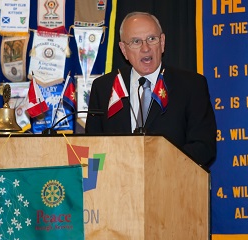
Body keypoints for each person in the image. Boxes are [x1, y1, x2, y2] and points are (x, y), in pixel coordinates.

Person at [85, 11, 217, 167]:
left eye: (151, 39)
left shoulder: (191, 85)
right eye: (136, 41)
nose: (145, 48)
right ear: (123, 50)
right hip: (119, 185)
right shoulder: (104, 88)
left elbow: (204, 147)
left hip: (173, 184)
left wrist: (158, 165)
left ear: (162, 42)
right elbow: (92, 147)